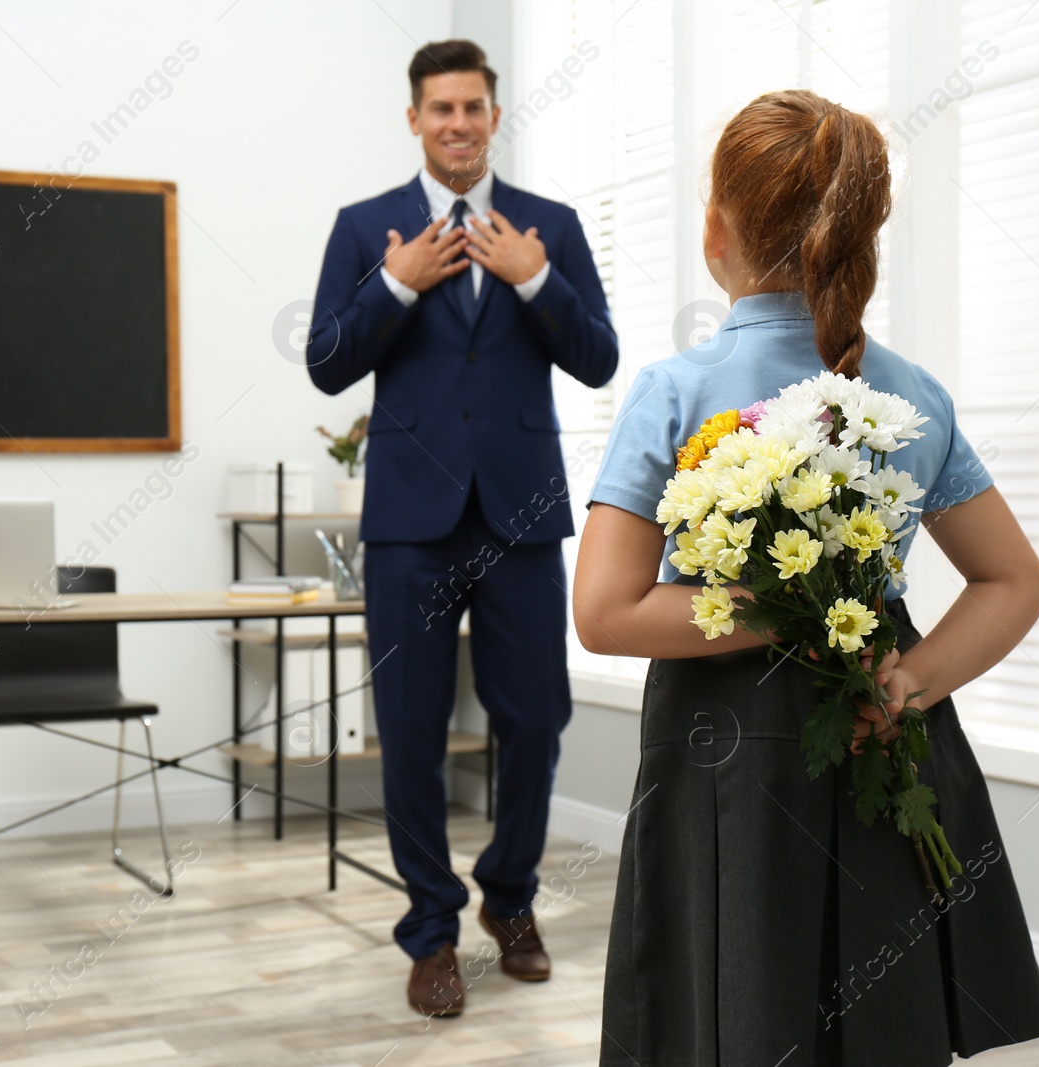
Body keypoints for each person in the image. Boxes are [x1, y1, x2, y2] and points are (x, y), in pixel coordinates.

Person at [572, 89, 1039, 1065]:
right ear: (866, 235)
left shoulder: (673, 393)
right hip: (881, 741)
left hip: (725, 765)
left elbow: (604, 610)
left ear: (715, 227)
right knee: (880, 1018)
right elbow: (1013, 582)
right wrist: (904, 681)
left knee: (730, 1006)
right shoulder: (912, 397)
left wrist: (776, 606)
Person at [304, 39, 618, 1019]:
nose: (456, 123)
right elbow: (325, 362)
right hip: (409, 518)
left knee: (536, 719)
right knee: (410, 727)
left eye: (472, 107)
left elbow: (600, 358)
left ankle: (509, 898)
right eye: (439, 108)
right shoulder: (366, 230)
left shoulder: (551, 228)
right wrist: (394, 285)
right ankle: (430, 930)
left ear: (492, 115)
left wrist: (534, 278)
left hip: (521, 513)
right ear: (414, 119)